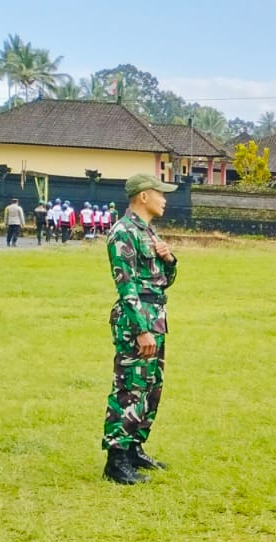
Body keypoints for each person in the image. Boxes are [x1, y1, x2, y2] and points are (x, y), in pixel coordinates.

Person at [102, 174, 181, 485]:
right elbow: (126, 285)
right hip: (138, 321)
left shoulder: (148, 232)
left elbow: (162, 281)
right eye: (160, 193)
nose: (165, 199)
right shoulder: (123, 233)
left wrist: (170, 259)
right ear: (143, 196)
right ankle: (116, 459)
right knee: (130, 388)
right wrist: (140, 329)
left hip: (155, 316)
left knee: (151, 387)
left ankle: (134, 447)